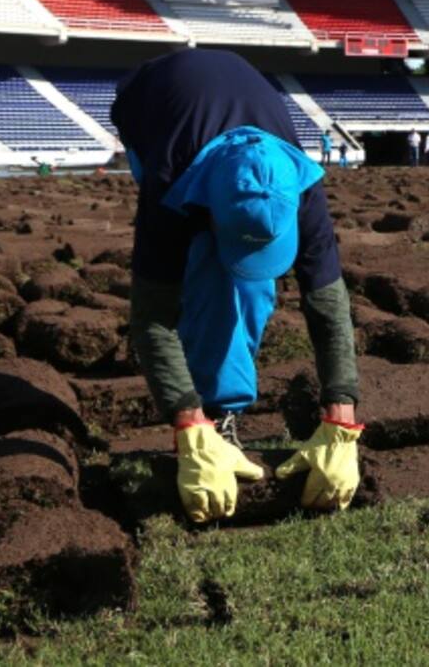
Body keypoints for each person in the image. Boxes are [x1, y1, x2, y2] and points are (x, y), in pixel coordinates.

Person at [112, 50, 362, 524]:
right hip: (149, 106)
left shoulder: (301, 187)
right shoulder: (169, 185)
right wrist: (188, 425)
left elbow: (328, 305)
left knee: (249, 286)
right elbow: (151, 318)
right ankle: (206, 416)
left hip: (234, 104)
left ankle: (219, 409)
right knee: (202, 269)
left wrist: (341, 421)